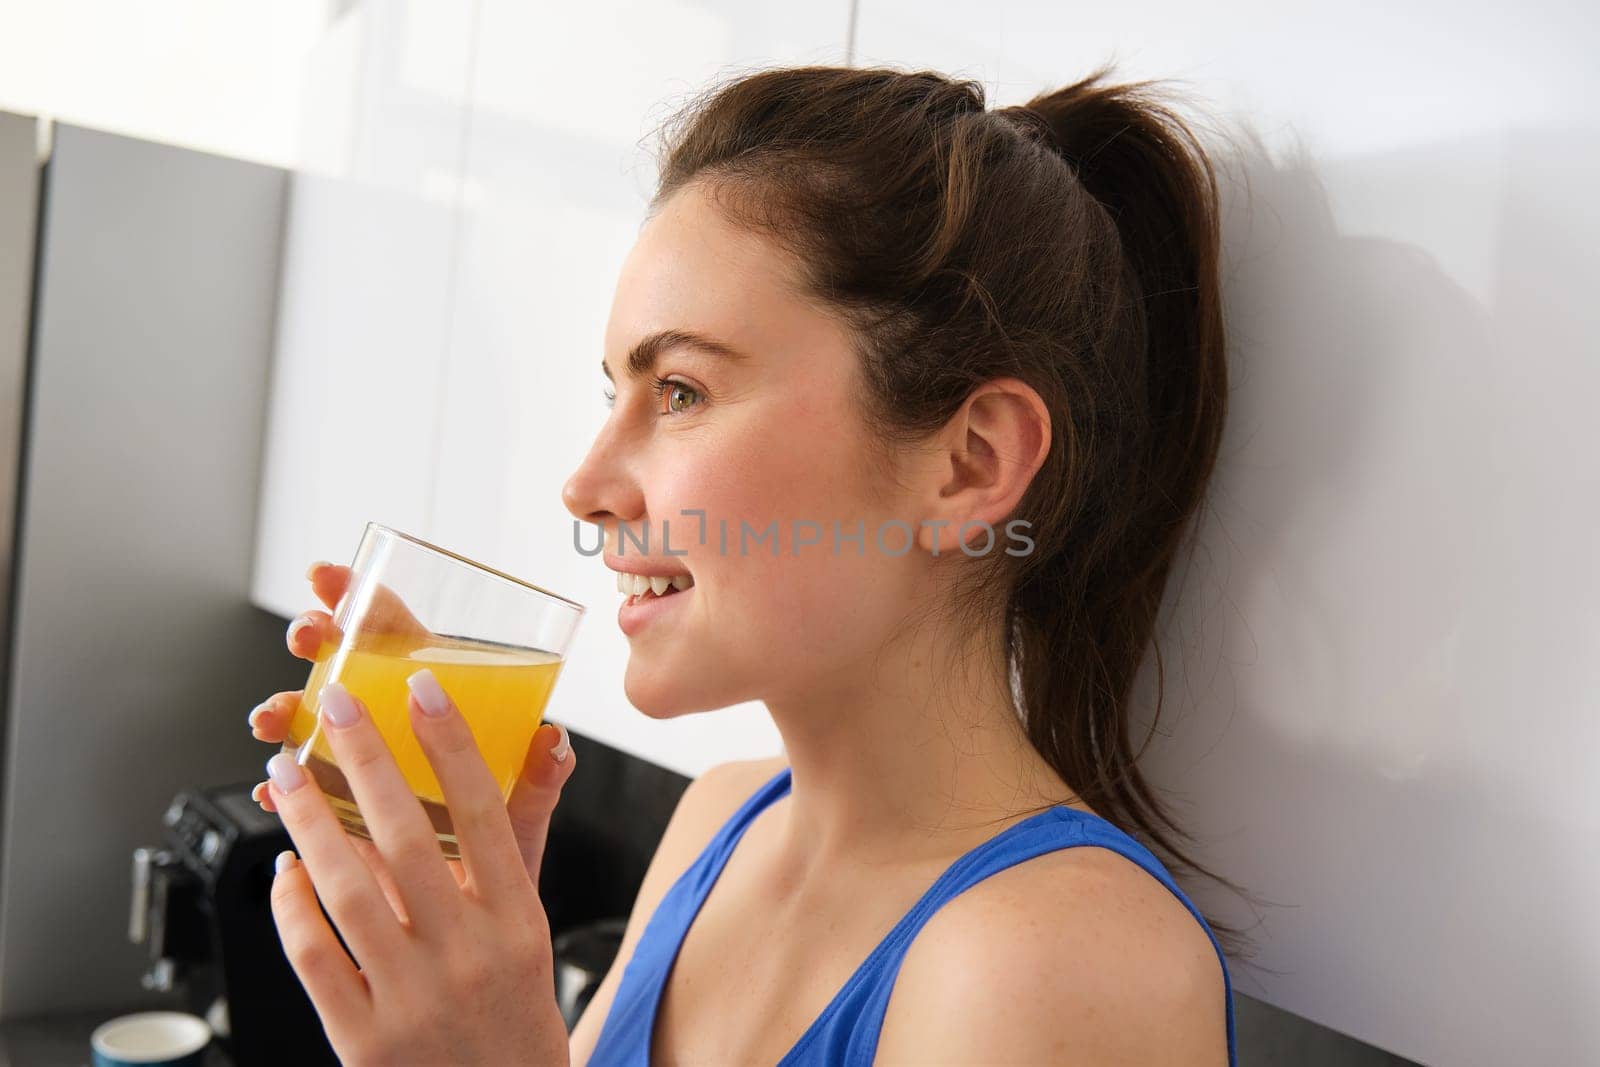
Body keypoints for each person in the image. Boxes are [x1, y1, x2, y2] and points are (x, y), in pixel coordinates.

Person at [250, 60, 1245, 1065]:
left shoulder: (1062, 966)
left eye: (679, 390)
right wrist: (457, 953)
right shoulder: (717, 825)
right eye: (615, 396)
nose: (585, 483)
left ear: (968, 464)